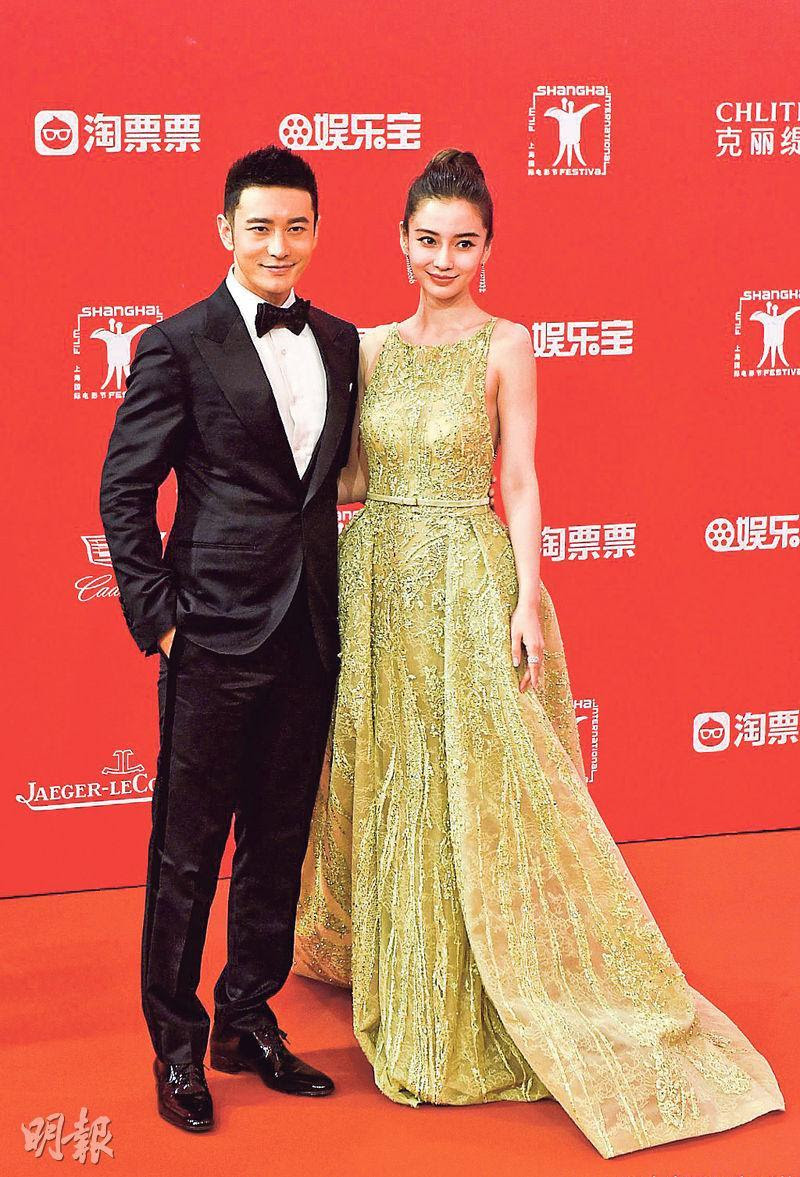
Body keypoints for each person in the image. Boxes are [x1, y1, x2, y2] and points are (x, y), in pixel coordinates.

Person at [292, 148, 786, 1158]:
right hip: (377, 577)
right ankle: (405, 960)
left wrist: (525, 594)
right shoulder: (369, 348)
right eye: (427, 239)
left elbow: (517, 478)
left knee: (476, 777)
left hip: (465, 579)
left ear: (488, 249)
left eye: (463, 242)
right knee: (395, 772)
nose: (443, 259)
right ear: (399, 242)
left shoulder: (507, 344)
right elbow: (349, 479)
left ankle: (486, 981)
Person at [99, 145, 360, 1132]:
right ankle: (175, 1041)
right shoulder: (177, 343)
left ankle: (246, 1016)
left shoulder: (339, 341)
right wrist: (161, 619)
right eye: (259, 226)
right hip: (209, 635)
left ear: (316, 232)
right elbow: (124, 490)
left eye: (296, 226)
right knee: (187, 850)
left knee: (278, 842)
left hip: (309, 633)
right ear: (225, 231)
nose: (277, 244)